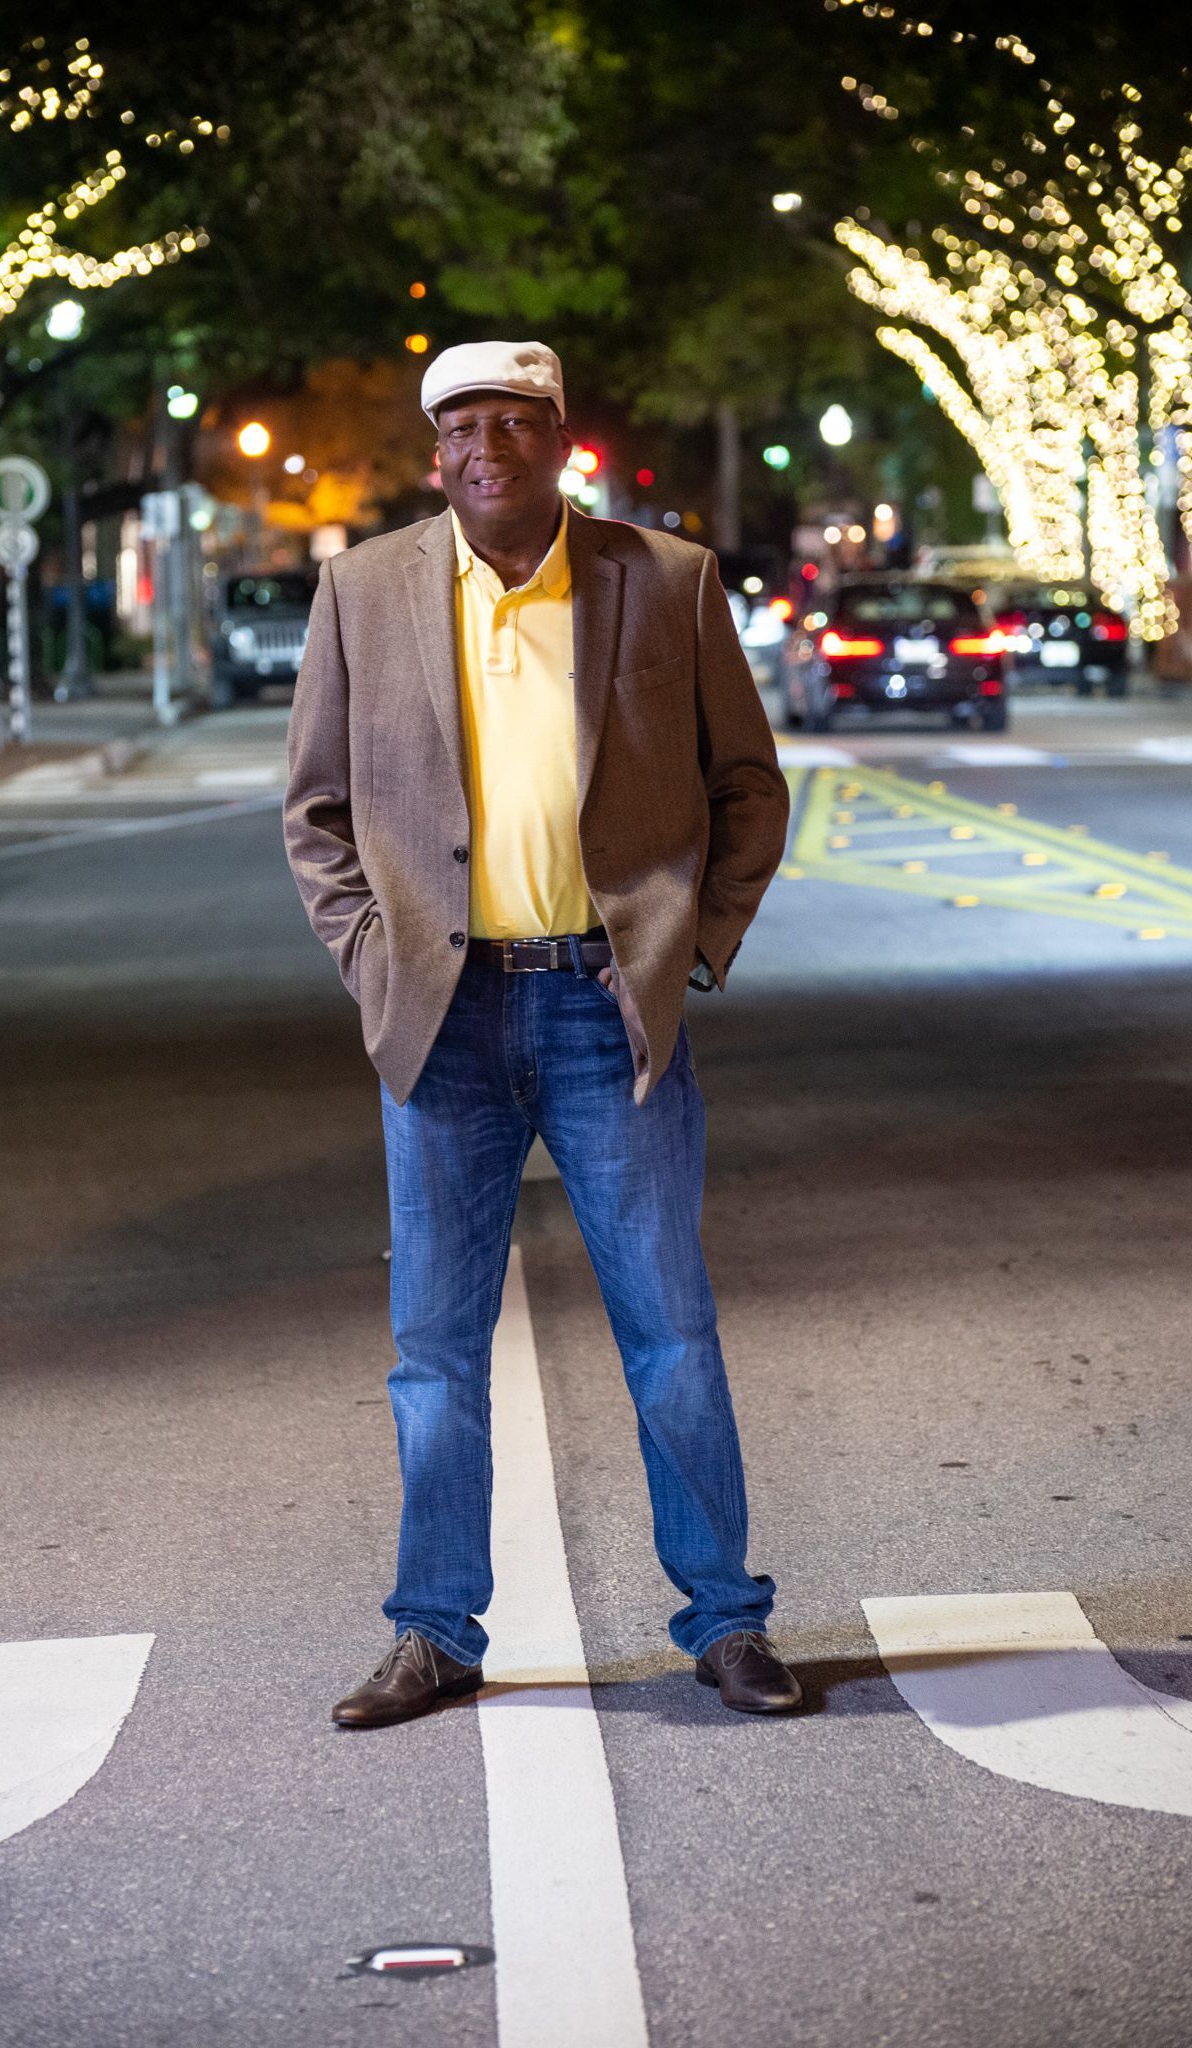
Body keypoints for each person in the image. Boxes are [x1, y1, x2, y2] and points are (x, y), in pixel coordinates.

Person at [283, 340, 799, 1727]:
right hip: (439, 1019)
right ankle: (433, 1633)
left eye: (514, 421)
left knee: (669, 1331)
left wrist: (691, 945)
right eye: (462, 426)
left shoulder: (666, 581)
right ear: (435, 453)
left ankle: (726, 1620)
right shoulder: (362, 590)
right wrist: (371, 959)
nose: (487, 446)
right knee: (434, 1352)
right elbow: (317, 811)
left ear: (561, 440)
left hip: (601, 1006)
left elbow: (749, 787)